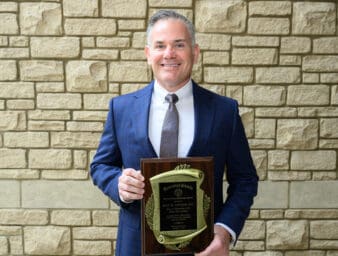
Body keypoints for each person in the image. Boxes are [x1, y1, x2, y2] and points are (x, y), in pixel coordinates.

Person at [90, 10, 258, 256]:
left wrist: (224, 232)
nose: (169, 54)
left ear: (195, 52)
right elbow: (100, 166)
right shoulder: (121, 109)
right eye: (160, 46)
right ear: (148, 55)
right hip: (135, 248)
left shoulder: (224, 111)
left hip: (203, 249)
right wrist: (118, 184)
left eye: (179, 45)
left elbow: (245, 180)